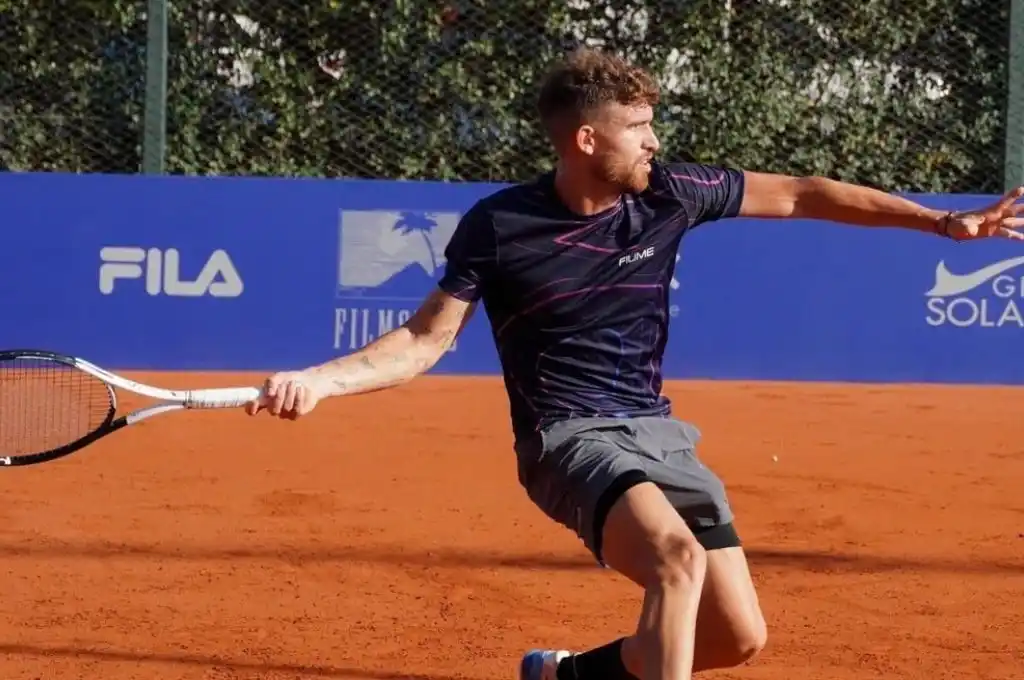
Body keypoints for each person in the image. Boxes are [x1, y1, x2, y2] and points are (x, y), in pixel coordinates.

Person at [245, 47, 1024, 680]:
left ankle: (568, 677)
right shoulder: (500, 226)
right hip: (569, 440)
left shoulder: (669, 193)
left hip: (658, 434)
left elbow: (800, 194)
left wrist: (944, 223)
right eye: (639, 126)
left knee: (736, 638)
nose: (654, 140)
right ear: (587, 140)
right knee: (675, 563)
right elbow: (421, 342)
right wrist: (318, 380)